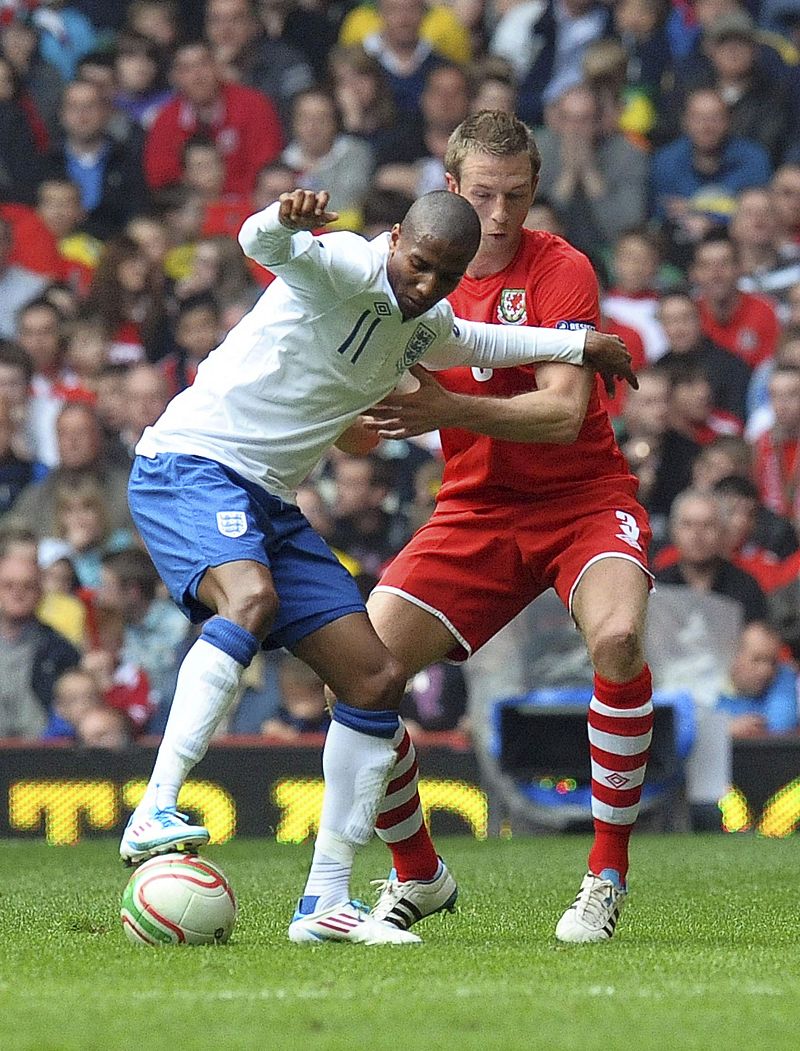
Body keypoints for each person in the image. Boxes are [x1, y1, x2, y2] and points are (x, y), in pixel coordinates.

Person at [117, 183, 634, 948]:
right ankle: (155, 804)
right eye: (420, 264)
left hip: (269, 498)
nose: (426, 285)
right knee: (249, 598)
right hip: (191, 464)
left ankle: (323, 901)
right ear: (395, 239)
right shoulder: (346, 267)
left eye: (446, 275)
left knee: (373, 677)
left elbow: (484, 341)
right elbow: (264, 246)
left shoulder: (424, 322)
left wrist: (576, 343)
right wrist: (276, 218)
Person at [359, 110, 653, 944]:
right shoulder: (409, 270)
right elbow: (364, 397)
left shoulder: (561, 267)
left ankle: (605, 873)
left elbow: (564, 416)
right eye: (482, 195)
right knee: (363, 673)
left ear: (533, 192)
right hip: (475, 509)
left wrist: (445, 404)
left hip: (584, 499)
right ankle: (418, 872)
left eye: (515, 195)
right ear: (450, 190)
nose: (498, 215)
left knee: (620, 639)